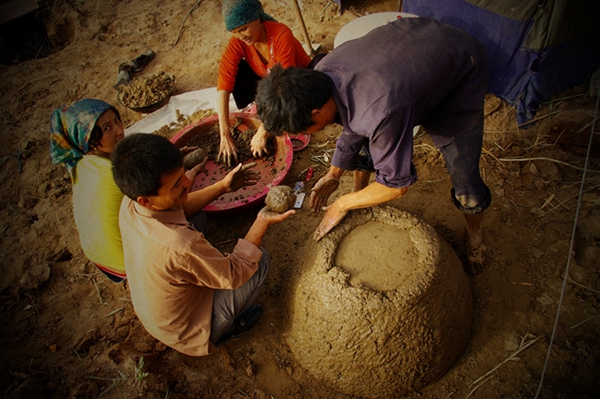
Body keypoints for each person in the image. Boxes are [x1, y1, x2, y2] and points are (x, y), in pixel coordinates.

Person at [255, 17, 491, 274]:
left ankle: (475, 235)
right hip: (412, 62)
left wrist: (342, 203)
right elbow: (351, 120)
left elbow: (396, 185)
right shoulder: (321, 76)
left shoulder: (379, 110)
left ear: (317, 110)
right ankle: (363, 200)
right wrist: (335, 172)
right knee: (369, 137)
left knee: (466, 183)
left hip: (458, 72)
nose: (303, 133)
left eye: (302, 128)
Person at [111, 133, 294, 356]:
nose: (188, 182)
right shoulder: (179, 244)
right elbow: (234, 274)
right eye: (177, 183)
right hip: (186, 330)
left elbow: (182, 209)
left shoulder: (130, 203)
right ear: (146, 200)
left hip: (160, 310)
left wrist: (222, 186)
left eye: (183, 174)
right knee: (259, 260)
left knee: (195, 217)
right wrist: (262, 220)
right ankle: (224, 330)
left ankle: (204, 270)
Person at [216, 0, 311, 166]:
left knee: (292, 106)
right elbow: (224, 81)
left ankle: (283, 120)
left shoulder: (281, 34)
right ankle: (266, 110)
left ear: (257, 18)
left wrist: (263, 130)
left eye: (243, 29)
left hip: (296, 84)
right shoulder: (239, 41)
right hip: (270, 81)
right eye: (235, 32)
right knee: (236, 70)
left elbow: (284, 85)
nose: (241, 36)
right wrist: (224, 134)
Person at [49, 99, 128, 282]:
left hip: (102, 262)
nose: (119, 129)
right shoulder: (114, 173)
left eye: (117, 120)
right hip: (125, 264)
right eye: (107, 128)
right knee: (190, 220)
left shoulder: (81, 164)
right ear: (88, 139)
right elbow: (166, 203)